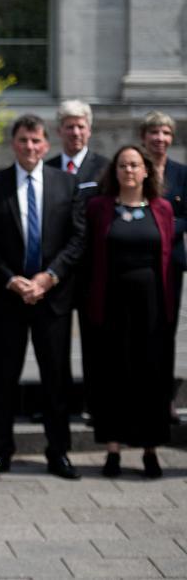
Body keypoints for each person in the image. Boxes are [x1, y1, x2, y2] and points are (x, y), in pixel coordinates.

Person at [0, 114, 85, 480]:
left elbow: (77, 238)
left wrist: (48, 278)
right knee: (3, 379)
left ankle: (58, 452)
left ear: (46, 145)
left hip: (52, 299)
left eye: (36, 141)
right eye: (23, 140)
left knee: (56, 378)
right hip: (7, 299)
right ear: (13, 144)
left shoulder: (67, 184)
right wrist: (11, 280)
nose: (30, 147)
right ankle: (0, 451)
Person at [84, 146, 174, 478]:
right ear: (115, 172)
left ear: (146, 171)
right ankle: (112, 450)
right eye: (122, 165)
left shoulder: (162, 209)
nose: (129, 171)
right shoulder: (99, 208)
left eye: (134, 165)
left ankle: (150, 450)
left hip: (152, 306)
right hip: (110, 306)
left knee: (150, 376)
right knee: (112, 375)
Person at [45, 100, 109, 420]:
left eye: (81, 125)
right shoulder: (49, 167)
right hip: (58, 270)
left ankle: (94, 404)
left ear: (89, 129)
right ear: (59, 131)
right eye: (69, 126)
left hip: (93, 271)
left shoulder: (105, 168)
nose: (75, 132)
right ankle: (58, 403)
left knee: (95, 341)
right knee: (54, 345)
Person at [139, 111, 187, 426]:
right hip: (136, 262)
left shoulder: (181, 173)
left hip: (170, 264)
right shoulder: (132, 167)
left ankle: (164, 400)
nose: (160, 138)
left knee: (165, 331)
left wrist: (161, 225)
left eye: (165, 133)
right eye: (154, 132)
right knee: (136, 331)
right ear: (144, 137)